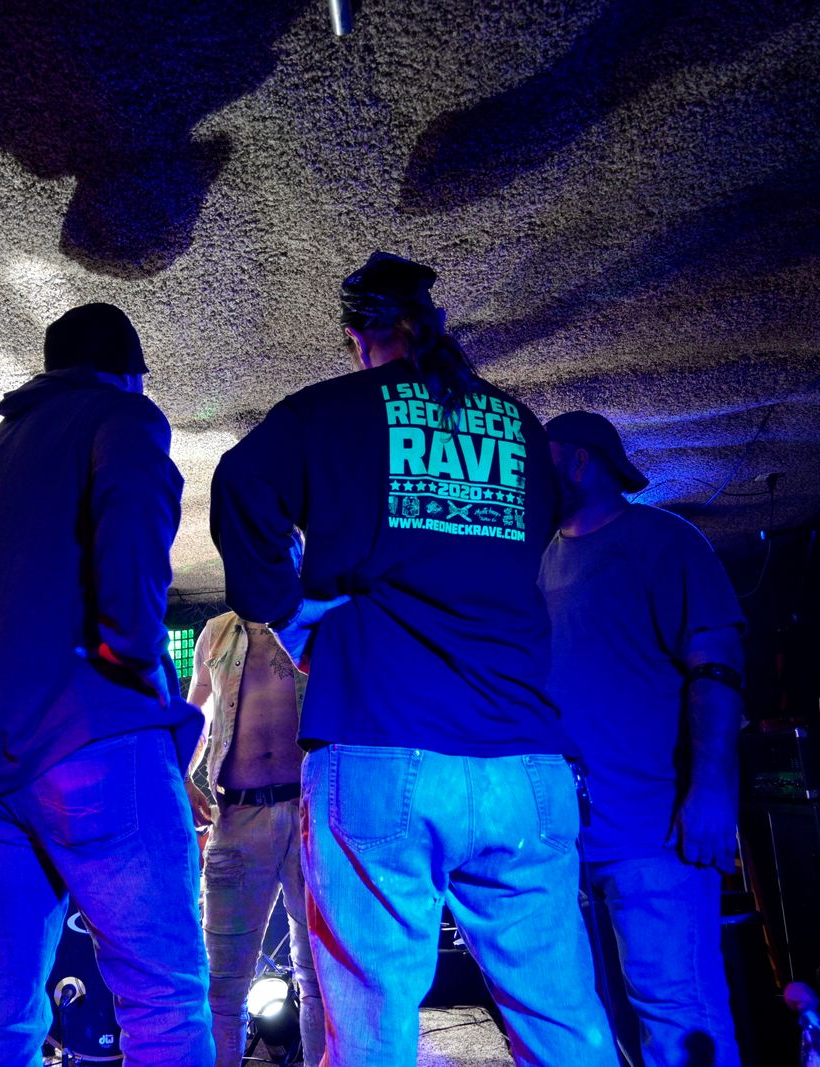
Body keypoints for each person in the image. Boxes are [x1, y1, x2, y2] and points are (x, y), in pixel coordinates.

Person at [210, 252, 616, 1067]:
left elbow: (239, 482)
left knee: (371, 1034)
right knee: (565, 1025)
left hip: (382, 746)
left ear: (357, 336)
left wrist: (283, 606)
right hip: (522, 764)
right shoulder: (520, 427)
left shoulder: (332, 411)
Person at [0, 302, 211, 1067]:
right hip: (92, 741)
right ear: (130, 371)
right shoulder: (123, 415)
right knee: (163, 998)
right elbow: (131, 567)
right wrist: (137, 665)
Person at [538, 410, 746, 1067]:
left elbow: (718, 671)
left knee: (680, 1018)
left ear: (580, 461)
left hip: (654, 835)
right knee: (596, 1030)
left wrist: (713, 792)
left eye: (542, 459)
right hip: (564, 844)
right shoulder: (539, 561)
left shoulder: (665, 539)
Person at [186, 577, 327, 1067]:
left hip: (311, 817)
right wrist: (180, 775)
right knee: (223, 989)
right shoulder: (215, 633)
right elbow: (196, 714)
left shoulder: (317, 619)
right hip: (238, 818)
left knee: (319, 981)